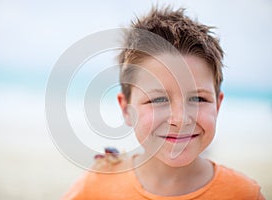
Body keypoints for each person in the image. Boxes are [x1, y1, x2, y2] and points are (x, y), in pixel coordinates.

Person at [62, 6, 265, 200]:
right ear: (126, 109)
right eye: (158, 99)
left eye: (198, 98)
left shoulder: (243, 194)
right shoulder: (95, 189)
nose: (180, 119)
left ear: (218, 106)